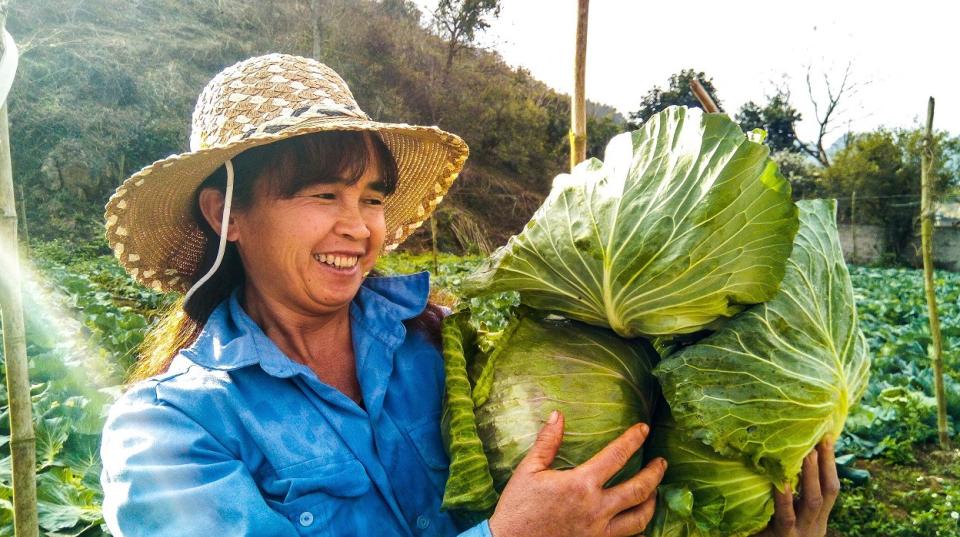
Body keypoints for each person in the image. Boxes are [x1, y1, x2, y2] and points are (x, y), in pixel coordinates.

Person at [99, 53, 840, 537]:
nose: (356, 227)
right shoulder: (167, 434)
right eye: (323, 193)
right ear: (225, 214)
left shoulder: (445, 342)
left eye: (373, 197)